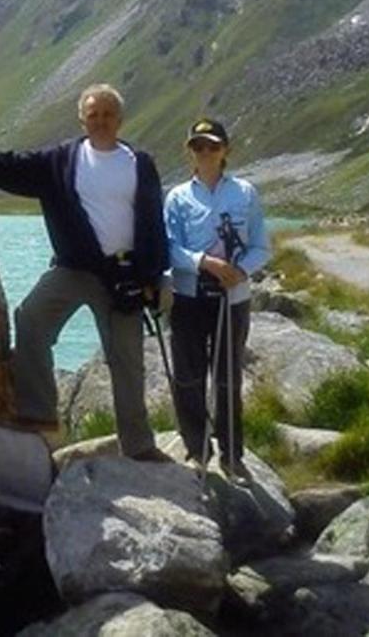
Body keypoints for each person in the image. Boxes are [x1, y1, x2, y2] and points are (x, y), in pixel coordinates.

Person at [0, 84, 171, 462]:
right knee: (31, 319)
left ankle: (139, 446)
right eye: (93, 114)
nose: (100, 121)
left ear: (119, 119)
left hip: (124, 275)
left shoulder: (139, 162)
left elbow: (153, 222)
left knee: (128, 360)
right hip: (73, 269)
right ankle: (39, 417)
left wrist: (154, 276)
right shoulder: (60, 161)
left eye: (107, 114)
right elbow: (11, 167)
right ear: (82, 119)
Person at [163, 117, 270, 476]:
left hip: (232, 297)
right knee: (188, 376)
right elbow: (169, 246)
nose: (205, 152)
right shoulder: (177, 197)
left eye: (212, 145)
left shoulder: (245, 193)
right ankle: (196, 447)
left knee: (227, 378)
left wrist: (239, 272)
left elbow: (260, 245)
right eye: (198, 146)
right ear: (189, 151)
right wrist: (203, 262)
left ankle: (232, 452)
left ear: (225, 150)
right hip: (189, 296)